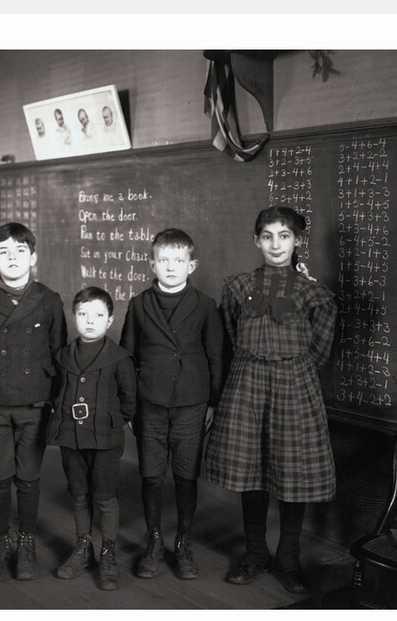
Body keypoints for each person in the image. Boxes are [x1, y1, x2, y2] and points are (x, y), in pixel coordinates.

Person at [205, 206, 337, 594]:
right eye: (267, 236)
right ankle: (255, 552)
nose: (275, 244)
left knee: (292, 471)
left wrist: (286, 368)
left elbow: (319, 349)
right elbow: (229, 336)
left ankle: (289, 556)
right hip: (246, 383)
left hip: (295, 386)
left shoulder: (316, 294)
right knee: (252, 469)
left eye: (284, 236)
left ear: (298, 241)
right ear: (256, 240)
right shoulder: (237, 287)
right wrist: (257, 365)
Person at [120, 228, 226, 579]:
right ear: (152, 263)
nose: (170, 267)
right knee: (151, 476)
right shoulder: (139, 304)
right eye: (163, 260)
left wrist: (212, 401)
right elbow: (127, 356)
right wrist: (130, 405)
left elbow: (216, 357)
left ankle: (183, 542)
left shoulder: (206, 306)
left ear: (191, 265)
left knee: (185, 475)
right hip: (150, 401)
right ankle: (153, 541)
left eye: (178, 260)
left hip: (192, 402)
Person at [0, 221, 67, 582]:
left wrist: (57, 404)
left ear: (33, 257)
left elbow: (59, 354)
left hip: (35, 404)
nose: (12, 258)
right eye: (3, 252)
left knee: (28, 477)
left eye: (20, 251)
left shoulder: (49, 300)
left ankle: (26, 542)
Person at [47, 287, 136, 591]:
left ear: (110, 320)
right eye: (83, 314)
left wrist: (112, 422)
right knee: (79, 493)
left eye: (98, 315)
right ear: (74, 317)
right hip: (71, 437)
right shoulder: (63, 356)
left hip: (106, 439)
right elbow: (55, 391)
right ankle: (83, 546)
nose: (90, 320)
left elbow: (129, 399)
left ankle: (107, 551)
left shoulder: (119, 357)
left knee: (105, 495)